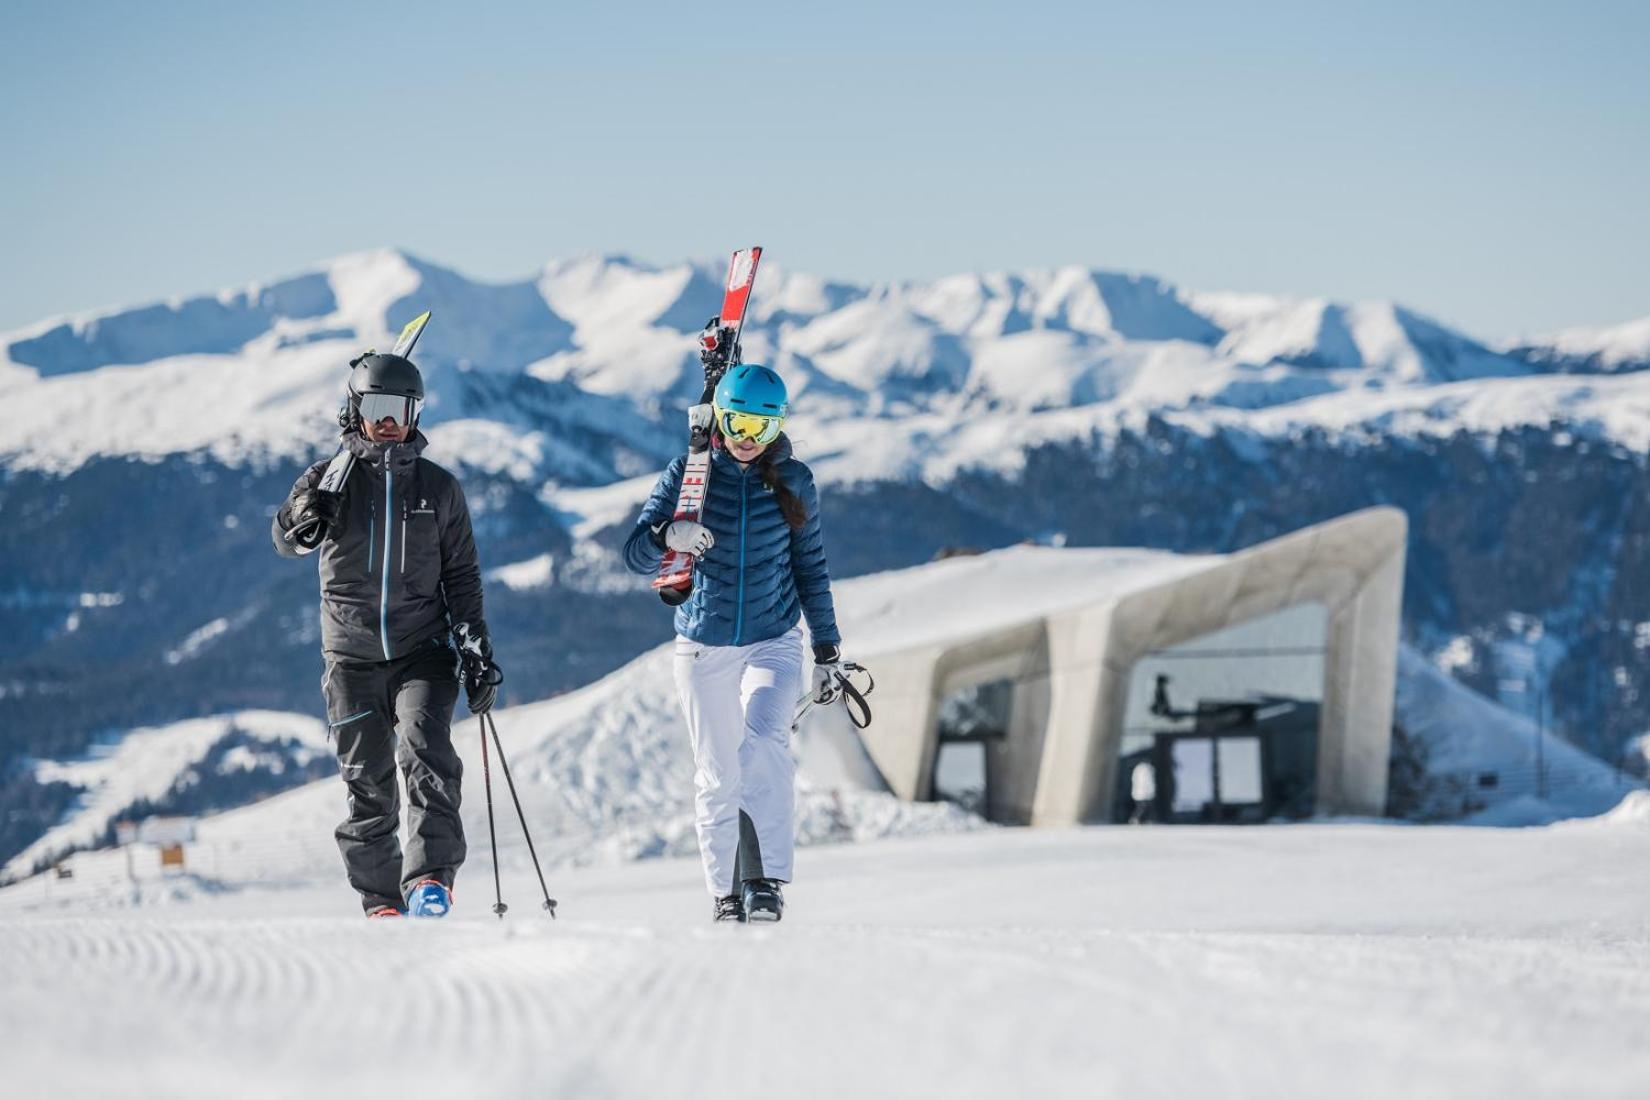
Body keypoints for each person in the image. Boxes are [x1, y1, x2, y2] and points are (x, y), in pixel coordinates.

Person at [271, 350, 501, 919]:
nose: (389, 419)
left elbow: (462, 576)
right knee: (367, 782)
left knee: (428, 755)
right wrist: (304, 514)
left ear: (415, 412)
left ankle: (429, 881)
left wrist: (475, 650)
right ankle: (381, 899)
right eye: (377, 406)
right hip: (349, 659)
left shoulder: (439, 489)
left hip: (423, 652)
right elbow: (285, 540)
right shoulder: (327, 481)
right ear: (356, 409)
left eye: (401, 406)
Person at [624, 364, 846, 923]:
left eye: (763, 428)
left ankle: (765, 882)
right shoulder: (688, 472)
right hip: (705, 645)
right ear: (721, 419)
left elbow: (811, 567)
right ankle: (725, 891)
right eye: (740, 423)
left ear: (779, 429)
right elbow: (632, 554)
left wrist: (827, 651)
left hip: (773, 637)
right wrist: (666, 536)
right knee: (719, 771)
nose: (749, 440)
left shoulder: (795, 482)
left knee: (767, 742)